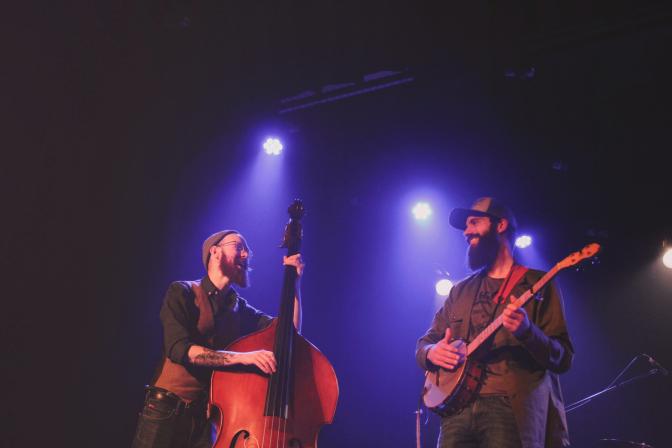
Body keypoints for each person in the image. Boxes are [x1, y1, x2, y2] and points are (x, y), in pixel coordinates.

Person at [416, 197, 574, 448]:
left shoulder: (538, 284)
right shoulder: (460, 290)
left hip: (509, 407)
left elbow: (563, 357)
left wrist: (527, 332)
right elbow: (425, 343)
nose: (466, 232)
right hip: (457, 410)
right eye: (466, 226)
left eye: (474, 222)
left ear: (500, 225)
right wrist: (432, 352)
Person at [132, 230, 304, 448]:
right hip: (166, 409)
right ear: (215, 251)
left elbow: (289, 333)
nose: (245, 255)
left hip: (207, 418)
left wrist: (294, 284)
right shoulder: (182, 291)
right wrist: (244, 358)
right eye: (238, 247)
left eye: (247, 251)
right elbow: (180, 350)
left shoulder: (239, 307)